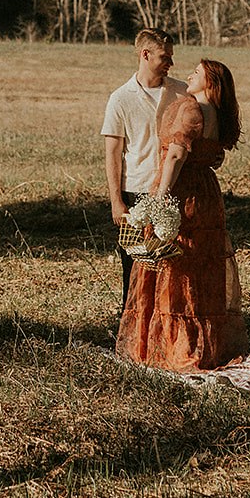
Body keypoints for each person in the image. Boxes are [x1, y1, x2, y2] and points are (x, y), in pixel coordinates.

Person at [116, 57, 249, 372]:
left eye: (197, 73)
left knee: (175, 268)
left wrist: (159, 197)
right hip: (207, 195)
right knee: (203, 266)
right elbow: (212, 156)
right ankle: (207, 344)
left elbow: (176, 153)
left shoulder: (191, 109)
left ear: (210, 83)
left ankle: (176, 346)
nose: (189, 74)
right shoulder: (217, 114)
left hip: (183, 192)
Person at [101, 29, 187, 312]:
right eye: (165, 57)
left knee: (174, 265)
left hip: (174, 190)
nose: (170, 63)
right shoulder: (120, 98)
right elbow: (113, 152)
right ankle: (131, 329)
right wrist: (117, 201)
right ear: (145, 54)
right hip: (135, 191)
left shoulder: (181, 92)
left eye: (171, 57)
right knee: (135, 268)